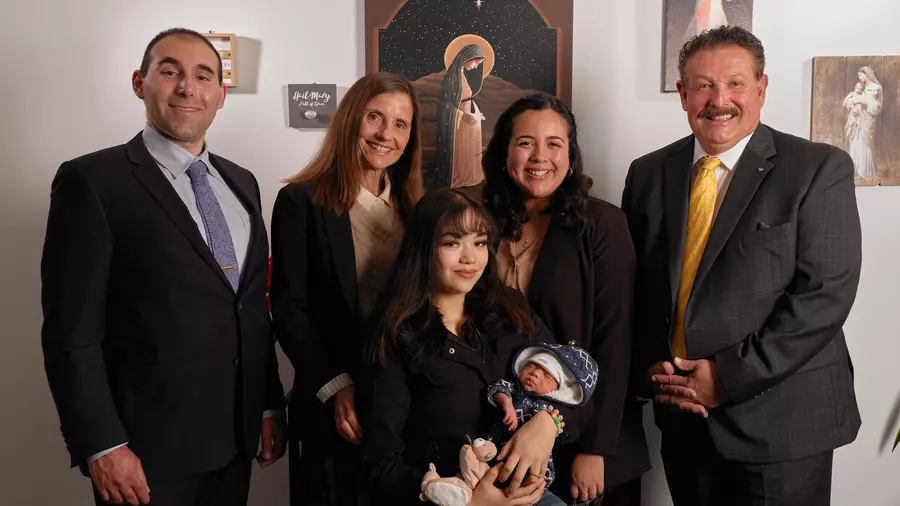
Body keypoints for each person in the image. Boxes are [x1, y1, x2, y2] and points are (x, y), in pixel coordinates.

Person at [40, 27, 286, 506]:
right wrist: (102, 445)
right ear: (140, 83)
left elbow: (250, 309)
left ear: (220, 95)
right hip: (145, 452)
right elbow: (71, 332)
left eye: (204, 76)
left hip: (234, 441)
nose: (188, 88)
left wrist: (267, 403)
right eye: (170, 72)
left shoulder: (243, 182)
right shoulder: (91, 181)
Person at [622, 26, 862, 506]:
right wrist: (653, 371)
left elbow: (823, 296)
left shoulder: (818, 168)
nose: (720, 100)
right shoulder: (647, 173)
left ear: (761, 88)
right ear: (683, 94)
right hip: (685, 425)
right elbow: (638, 287)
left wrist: (728, 377)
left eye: (735, 83)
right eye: (704, 85)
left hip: (782, 427)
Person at [360, 189, 591, 506]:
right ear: (423, 248)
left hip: (533, 496)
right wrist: (473, 503)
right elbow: (380, 465)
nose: (470, 258)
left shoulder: (512, 308)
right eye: (452, 243)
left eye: (480, 243)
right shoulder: (394, 333)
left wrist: (549, 423)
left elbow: (579, 391)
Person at [475, 93, 650, 506]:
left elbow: (616, 342)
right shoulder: (476, 221)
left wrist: (594, 448)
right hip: (500, 434)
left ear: (570, 157)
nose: (540, 156)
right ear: (503, 153)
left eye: (554, 144)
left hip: (584, 438)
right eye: (525, 142)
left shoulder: (602, 223)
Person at [269, 72, 425, 506]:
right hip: (334, 403)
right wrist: (337, 386)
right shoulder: (301, 201)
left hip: (405, 408)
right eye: (375, 117)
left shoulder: (417, 210)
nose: (386, 134)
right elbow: (290, 309)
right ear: (351, 119)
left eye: (400, 124)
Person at [488, 343, 600, 488]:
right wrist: (506, 402)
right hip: (492, 448)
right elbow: (498, 388)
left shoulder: (545, 406)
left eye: (547, 376)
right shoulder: (515, 389)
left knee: (537, 472)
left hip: (524, 462)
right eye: (531, 366)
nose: (535, 373)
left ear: (557, 389)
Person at [437, 42, 488, 189]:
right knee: (462, 148)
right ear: (467, 57)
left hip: (469, 119)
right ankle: (461, 177)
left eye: (479, 64)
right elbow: (445, 104)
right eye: (476, 62)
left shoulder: (462, 74)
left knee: (470, 149)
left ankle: (471, 175)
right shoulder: (452, 77)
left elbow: (467, 98)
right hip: (459, 121)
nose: (476, 66)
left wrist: (477, 113)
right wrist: (461, 115)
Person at [843, 66, 883, 180]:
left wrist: (862, 101)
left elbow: (878, 108)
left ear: (866, 74)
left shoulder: (876, 87)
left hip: (867, 120)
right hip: (857, 120)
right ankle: (855, 170)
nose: (860, 78)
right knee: (855, 141)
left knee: (865, 143)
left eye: (861, 75)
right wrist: (851, 104)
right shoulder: (861, 87)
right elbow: (851, 101)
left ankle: (864, 171)